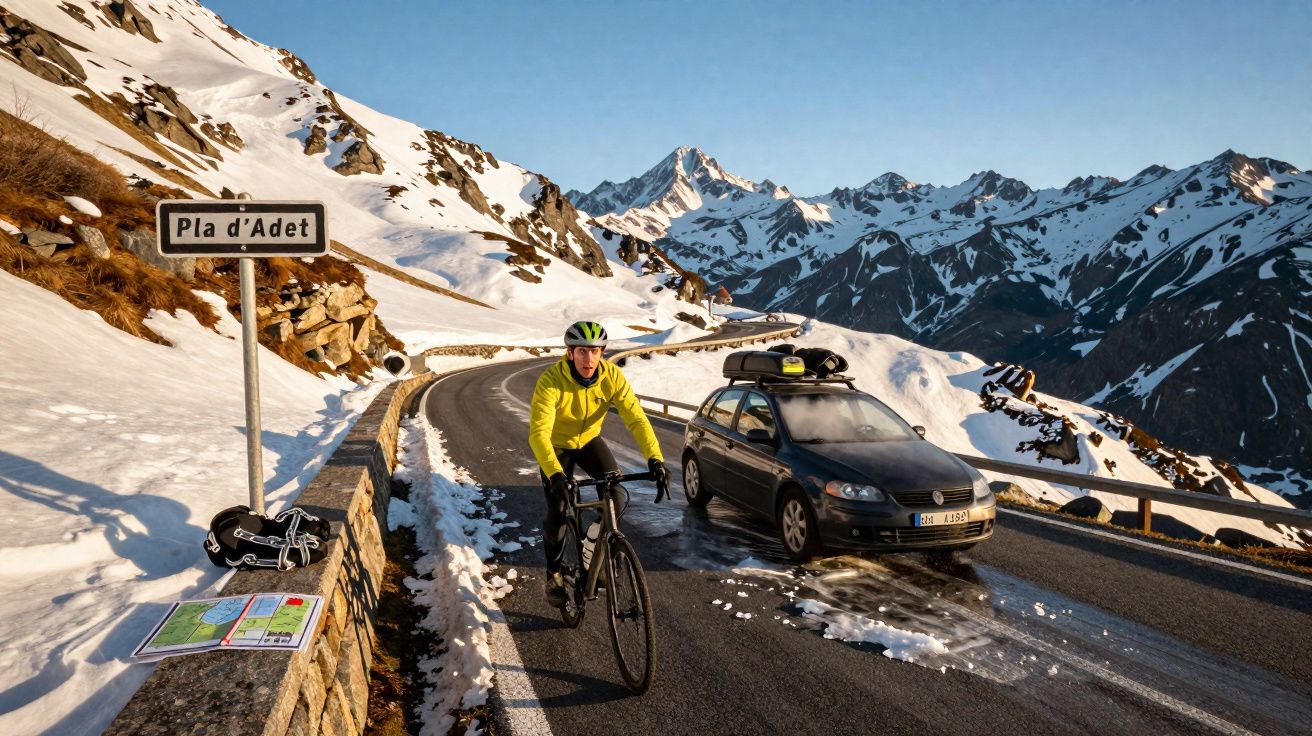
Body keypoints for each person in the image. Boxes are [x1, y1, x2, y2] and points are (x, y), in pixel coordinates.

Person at [529, 320, 669, 606]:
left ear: (603, 352)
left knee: (616, 493)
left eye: (595, 351)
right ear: (570, 353)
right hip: (556, 446)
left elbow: (636, 419)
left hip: (590, 441)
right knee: (558, 508)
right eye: (582, 351)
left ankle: (593, 548)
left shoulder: (612, 377)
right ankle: (553, 575)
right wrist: (555, 475)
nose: (589, 358)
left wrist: (655, 458)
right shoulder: (551, 380)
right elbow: (538, 433)